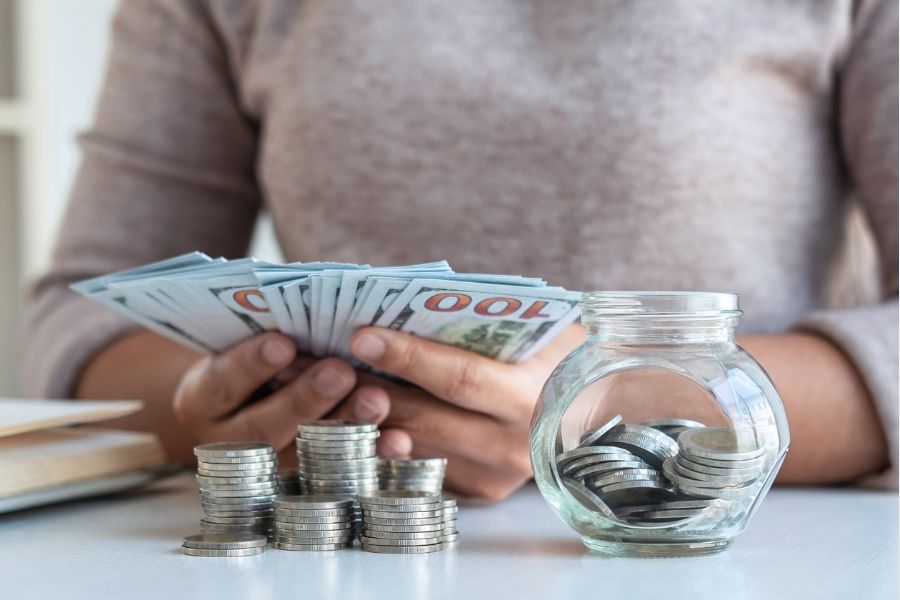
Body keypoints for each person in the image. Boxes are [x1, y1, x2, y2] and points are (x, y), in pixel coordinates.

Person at [24, 0, 897, 499]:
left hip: (732, 548)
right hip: (337, 549)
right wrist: (215, 415)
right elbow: (75, 316)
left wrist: (599, 405)